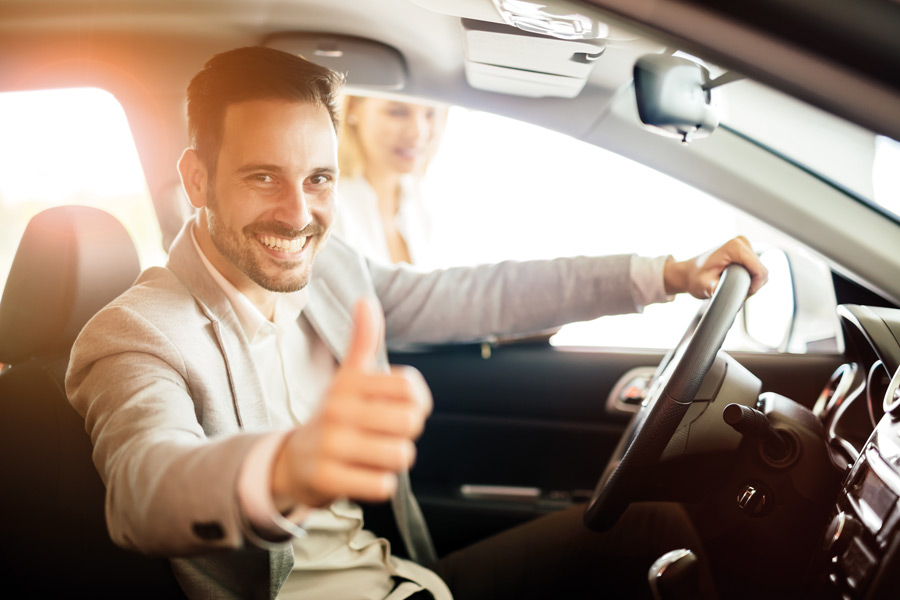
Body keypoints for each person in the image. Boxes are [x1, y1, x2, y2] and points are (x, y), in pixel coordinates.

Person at [66, 46, 767, 600]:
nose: (297, 213)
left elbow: (481, 295)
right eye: (261, 177)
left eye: (318, 178)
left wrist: (666, 273)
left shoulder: (330, 266)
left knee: (655, 530)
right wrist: (283, 468)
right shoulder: (137, 334)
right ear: (197, 180)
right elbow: (143, 487)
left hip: (408, 580)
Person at [335, 95, 447, 265]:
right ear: (352, 108)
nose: (419, 132)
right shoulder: (333, 207)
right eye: (398, 112)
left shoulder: (419, 200)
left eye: (430, 113)